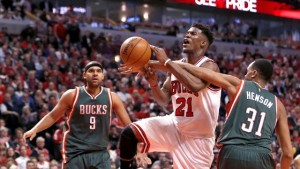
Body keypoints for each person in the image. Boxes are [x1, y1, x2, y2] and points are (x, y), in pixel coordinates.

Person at [150, 58, 293, 169]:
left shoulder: (238, 84)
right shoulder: (279, 106)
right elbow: (287, 152)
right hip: (262, 157)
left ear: (254, 73)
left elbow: (198, 71)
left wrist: (160, 63)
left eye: (247, 71)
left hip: (233, 153)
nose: (245, 74)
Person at [119, 23, 221, 169]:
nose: (187, 35)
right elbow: (163, 100)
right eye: (187, 33)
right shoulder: (175, 66)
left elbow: (196, 85)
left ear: (203, 43)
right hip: (174, 125)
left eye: (193, 34)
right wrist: (154, 84)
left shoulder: (210, 66)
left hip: (198, 139)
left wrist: (166, 62)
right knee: (129, 134)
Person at [23, 61, 131, 169]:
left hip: (100, 152)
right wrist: (35, 129)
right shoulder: (72, 95)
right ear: (84, 75)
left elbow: (129, 126)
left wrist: (140, 148)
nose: (95, 74)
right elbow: (52, 116)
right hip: (75, 152)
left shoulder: (111, 97)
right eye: (91, 71)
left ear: (102, 76)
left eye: (98, 71)